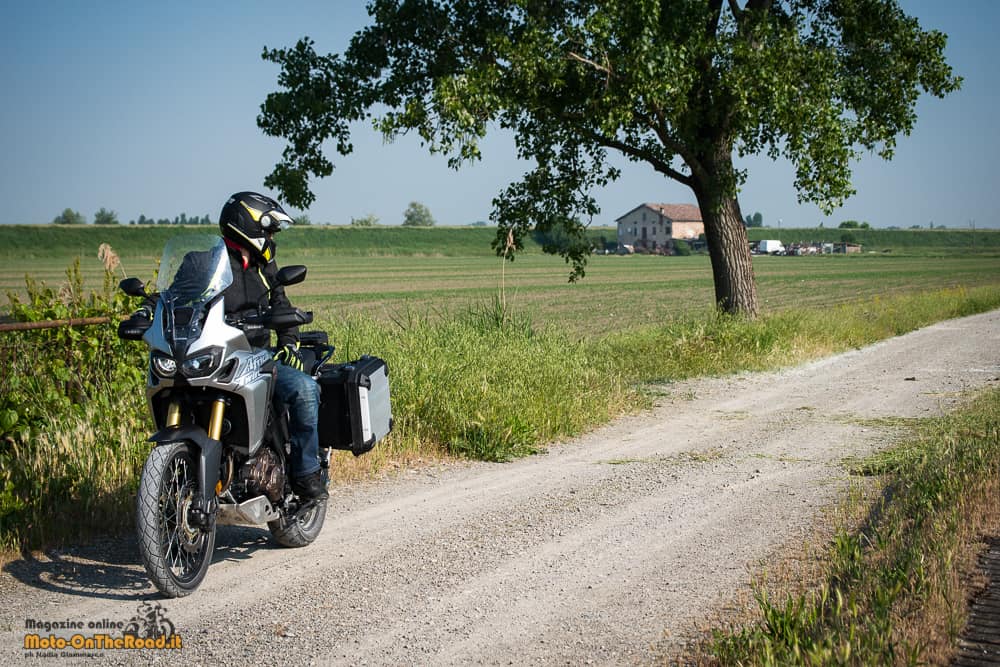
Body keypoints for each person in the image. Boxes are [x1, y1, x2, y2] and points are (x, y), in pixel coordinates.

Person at [132, 192, 327, 502]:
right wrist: (146, 312)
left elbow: (282, 306)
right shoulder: (201, 262)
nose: (271, 237)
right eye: (269, 230)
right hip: (212, 352)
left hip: (256, 357)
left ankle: (306, 474)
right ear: (249, 225)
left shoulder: (265, 269)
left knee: (304, 388)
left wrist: (288, 343)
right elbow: (171, 295)